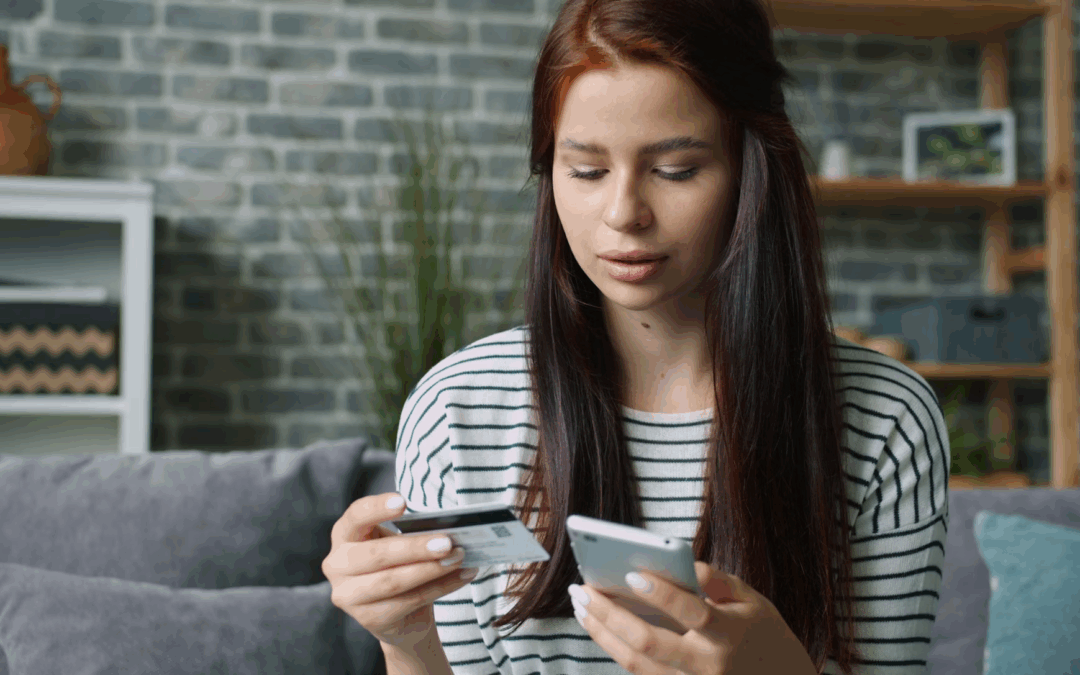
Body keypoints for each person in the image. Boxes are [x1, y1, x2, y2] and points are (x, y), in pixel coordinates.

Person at [323, 0, 949, 673]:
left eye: (676, 169)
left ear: (751, 167)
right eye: (587, 171)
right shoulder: (459, 408)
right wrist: (407, 641)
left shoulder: (886, 419)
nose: (624, 214)